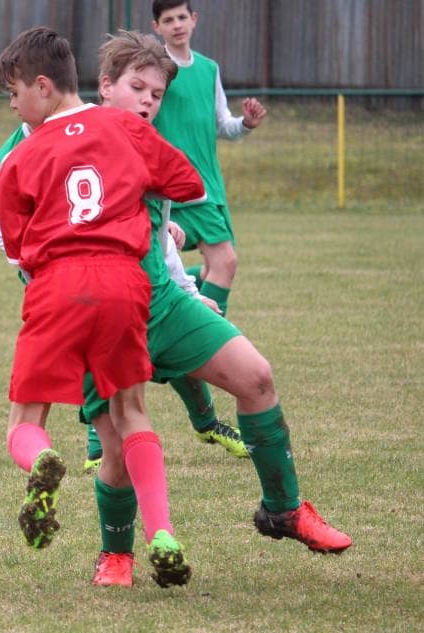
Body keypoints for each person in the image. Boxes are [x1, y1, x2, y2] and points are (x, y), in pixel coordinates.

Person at [82, 30, 351, 587]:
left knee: (256, 377)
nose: (148, 100)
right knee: (116, 447)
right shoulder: (73, 141)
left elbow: (158, 235)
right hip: (100, 315)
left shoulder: (156, 149)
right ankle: (118, 556)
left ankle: (283, 509)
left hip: (163, 303)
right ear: (105, 87)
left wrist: (184, 281)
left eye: (156, 93)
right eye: (137, 87)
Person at [0, 26, 205, 588]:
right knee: (131, 412)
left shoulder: (22, 154)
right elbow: (190, 185)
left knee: (25, 420)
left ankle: (40, 462)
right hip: (124, 282)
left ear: (42, 87)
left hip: (57, 283)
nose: (13, 106)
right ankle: (161, 532)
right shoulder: (125, 128)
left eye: (14, 94)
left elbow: (16, 249)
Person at [149, 0, 267, 447]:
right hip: (169, 190)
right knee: (204, 268)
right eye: (169, 19)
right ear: (156, 27)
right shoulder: (157, 72)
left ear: (194, 20)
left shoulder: (210, 68)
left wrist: (246, 124)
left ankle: (196, 335)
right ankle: (200, 341)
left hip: (207, 190)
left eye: (183, 17)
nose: (178, 25)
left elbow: (222, 124)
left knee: (218, 266)